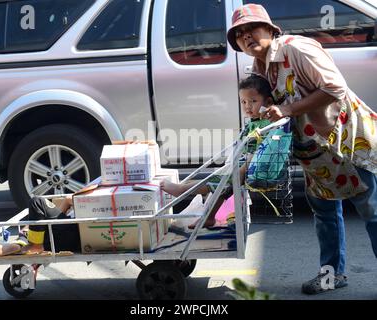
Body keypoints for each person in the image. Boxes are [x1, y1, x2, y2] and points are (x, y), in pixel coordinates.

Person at [226, 3, 377, 294]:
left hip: (346, 144)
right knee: (325, 214)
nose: (246, 37)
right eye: (240, 34)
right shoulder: (259, 67)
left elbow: (335, 88)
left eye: (252, 29)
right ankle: (332, 276)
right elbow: (278, 108)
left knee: (371, 211)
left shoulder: (298, 49)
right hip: (316, 155)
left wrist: (288, 109)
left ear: (270, 30)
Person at [161, 74, 274, 229]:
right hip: (239, 164)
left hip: (249, 167)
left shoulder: (267, 123)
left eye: (253, 101)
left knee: (216, 182)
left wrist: (243, 168)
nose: (248, 106)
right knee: (218, 183)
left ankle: (182, 191)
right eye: (244, 102)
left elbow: (264, 150)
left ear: (267, 102)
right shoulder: (254, 122)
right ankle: (208, 216)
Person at [0, 195, 80, 257]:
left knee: (37, 202)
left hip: (75, 230)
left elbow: (69, 199)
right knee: (33, 227)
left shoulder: (94, 185)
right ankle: (20, 244)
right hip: (63, 237)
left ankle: (33, 245)